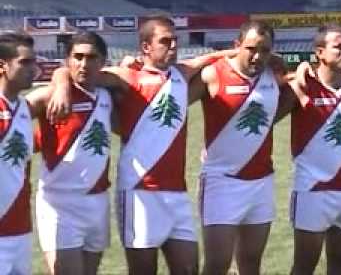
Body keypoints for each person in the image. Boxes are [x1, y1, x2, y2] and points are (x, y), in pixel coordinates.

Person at [48, 17, 236, 275]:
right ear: (146, 47)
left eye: (175, 41)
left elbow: (216, 57)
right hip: (139, 191)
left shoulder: (182, 73)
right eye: (165, 41)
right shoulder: (127, 76)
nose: (173, 46)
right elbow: (72, 70)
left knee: (189, 268)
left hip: (178, 194)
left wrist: (249, 53)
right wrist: (60, 86)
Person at [197, 20, 285, 275]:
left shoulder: (272, 74)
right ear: (237, 45)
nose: (257, 56)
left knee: (250, 264)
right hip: (221, 182)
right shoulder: (214, 74)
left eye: (265, 50)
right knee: (217, 265)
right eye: (251, 49)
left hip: (261, 183)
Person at [277, 25, 341, 275]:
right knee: (305, 266)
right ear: (320, 52)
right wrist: (294, 74)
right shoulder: (301, 85)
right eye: (338, 46)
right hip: (312, 190)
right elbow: (268, 115)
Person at [27, 32, 113, 275]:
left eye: (91, 57)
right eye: (77, 57)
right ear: (67, 61)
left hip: (97, 202)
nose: (84, 64)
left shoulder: (108, 95)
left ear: (102, 62)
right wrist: (62, 83)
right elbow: (13, 113)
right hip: (59, 203)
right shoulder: (49, 96)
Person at [0, 32, 37, 275]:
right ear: (2, 66)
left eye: (33, 62)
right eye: (24, 62)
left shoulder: (24, 106)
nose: (32, 69)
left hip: (20, 230)